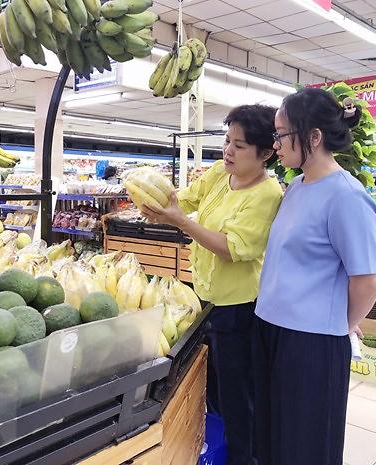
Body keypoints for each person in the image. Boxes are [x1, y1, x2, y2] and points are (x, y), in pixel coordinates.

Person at [141, 104, 283, 465]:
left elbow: (232, 249)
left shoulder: (268, 195)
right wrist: (156, 202)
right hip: (203, 298)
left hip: (237, 308)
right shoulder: (222, 172)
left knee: (237, 393)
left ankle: (242, 458)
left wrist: (182, 223)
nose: (228, 151)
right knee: (208, 383)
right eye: (226, 140)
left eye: (239, 145)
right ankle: (212, 445)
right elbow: (186, 199)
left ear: (265, 153)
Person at [253, 88, 376, 465]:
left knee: (305, 446)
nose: (275, 143)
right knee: (273, 438)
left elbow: (368, 279)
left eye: (281, 134)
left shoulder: (346, 197)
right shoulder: (295, 186)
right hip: (270, 328)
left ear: (313, 137)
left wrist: (341, 323)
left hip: (311, 343)